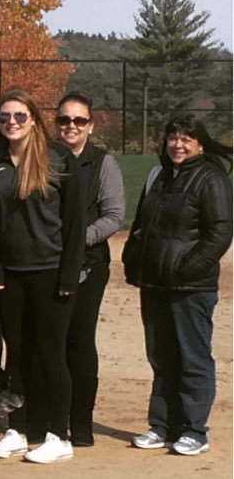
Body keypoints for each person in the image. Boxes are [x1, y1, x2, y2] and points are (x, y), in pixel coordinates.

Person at [0, 90, 84, 465]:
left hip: (51, 272)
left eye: (20, 116)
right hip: (10, 275)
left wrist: (69, 275)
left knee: (51, 354)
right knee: (17, 354)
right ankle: (18, 430)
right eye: (4, 117)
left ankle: (60, 434)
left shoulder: (58, 159)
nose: (12, 123)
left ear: (34, 119)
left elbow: (74, 225)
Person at [124, 115, 231, 456]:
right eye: (173, 137)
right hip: (154, 284)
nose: (178, 144)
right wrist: (132, 258)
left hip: (190, 288)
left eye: (186, 138)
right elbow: (141, 224)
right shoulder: (159, 175)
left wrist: (185, 270)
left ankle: (194, 429)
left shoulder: (211, 177)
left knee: (192, 358)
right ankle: (162, 425)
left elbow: (219, 235)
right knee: (161, 356)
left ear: (200, 143)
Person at [56, 92, 124, 447]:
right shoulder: (47, 158)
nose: (71, 126)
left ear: (90, 126)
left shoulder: (102, 163)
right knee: (51, 345)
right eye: (65, 120)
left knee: (80, 343)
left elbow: (114, 216)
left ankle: (80, 424)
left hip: (87, 266)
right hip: (48, 266)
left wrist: (75, 240)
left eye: (79, 120)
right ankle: (51, 419)